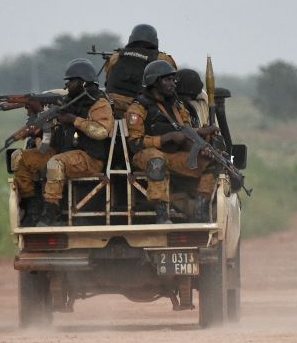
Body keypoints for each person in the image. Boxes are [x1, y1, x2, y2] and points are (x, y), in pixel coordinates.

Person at [14, 58, 114, 227]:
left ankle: (50, 213)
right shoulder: (66, 102)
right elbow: (52, 132)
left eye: (71, 81)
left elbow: (101, 131)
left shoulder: (99, 103)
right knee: (19, 158)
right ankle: (32, 208)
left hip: (89, 158)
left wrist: (74, 120)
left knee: (56, 163)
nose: (67, 85)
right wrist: (39, 129)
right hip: (62, 153)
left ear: (83, 82)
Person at [126, 60, 218, 223]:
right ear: (154, 82)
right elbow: (135, 143)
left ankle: (200, 212)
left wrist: (200, 134)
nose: (173, 83)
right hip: (145, 156)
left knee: (211, 162)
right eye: (167, 80)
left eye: (173, 79)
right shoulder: (139, 108)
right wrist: (165, 138)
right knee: (157, 160)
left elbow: (186, 130)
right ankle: (162, 216)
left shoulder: (177, 105)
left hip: (173, 156)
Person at [104, 24, 177, 119]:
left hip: (112, 107)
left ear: (131, 38)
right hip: (141, 109)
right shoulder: (162, 58)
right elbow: (173, 79)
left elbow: (108, 78)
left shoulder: (115, 56)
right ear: (155, 41)